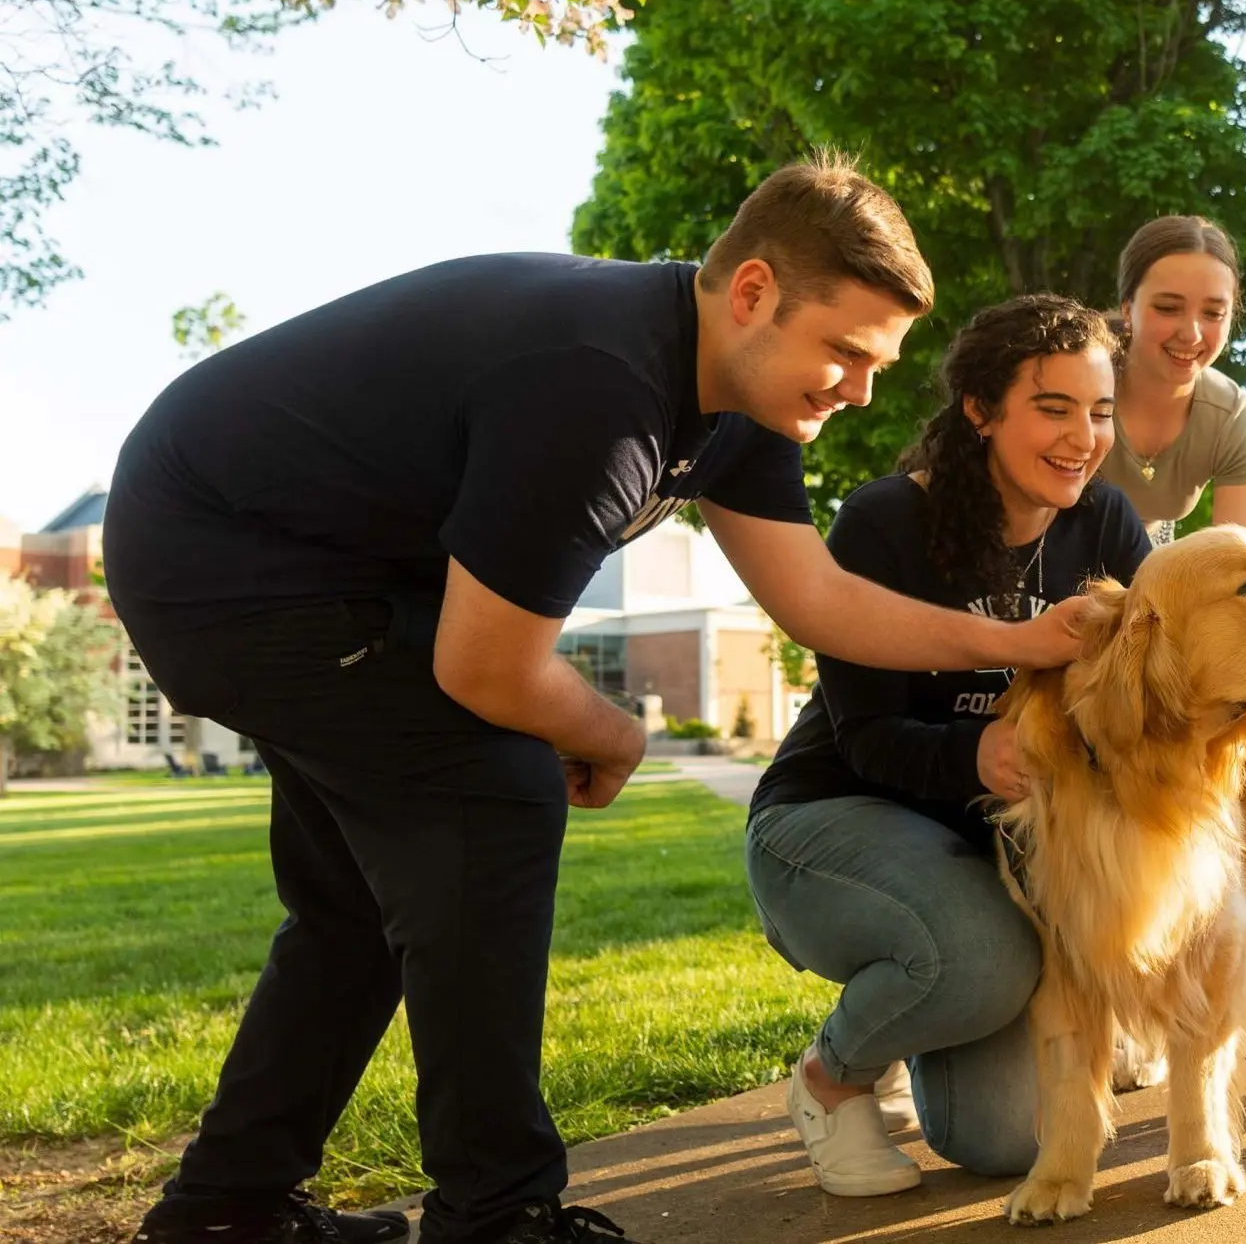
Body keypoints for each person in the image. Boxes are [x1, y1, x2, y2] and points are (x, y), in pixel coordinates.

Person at [106, 155, 1084, 1244]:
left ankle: (225, 1209)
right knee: (494, 791)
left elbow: (818, 597)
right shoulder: (600, 386)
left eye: (876, 361)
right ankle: (498, 1211)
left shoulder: (736, 400)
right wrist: (610, 729)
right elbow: (487, 669)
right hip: (223, 562)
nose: (859, 388)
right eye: (845, 351)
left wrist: (1009, 640)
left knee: (359, 903)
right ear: (753, 291)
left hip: (332, 574)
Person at [745, 294, 1148, 1197]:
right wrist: (978, 756)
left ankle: (921, 1012)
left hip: (984, 847)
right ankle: (834, 1074)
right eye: (1053, 407)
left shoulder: (1108, 525)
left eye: (1101, 411)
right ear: (979, 408)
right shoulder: (884, 520)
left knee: (1011, 1141)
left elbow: (1163, 675)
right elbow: (866, 737)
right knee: (980, 959)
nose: (1083, 436)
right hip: (831, 819)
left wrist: (1240, 722)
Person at [1095, 215, 1246, 544]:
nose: (1191, 334)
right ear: (1127, 308)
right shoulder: (1071, 382)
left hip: (1149, 544)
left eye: (1212, 314)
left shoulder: (1235, 422)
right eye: (1167, 308)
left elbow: (1239, 566)